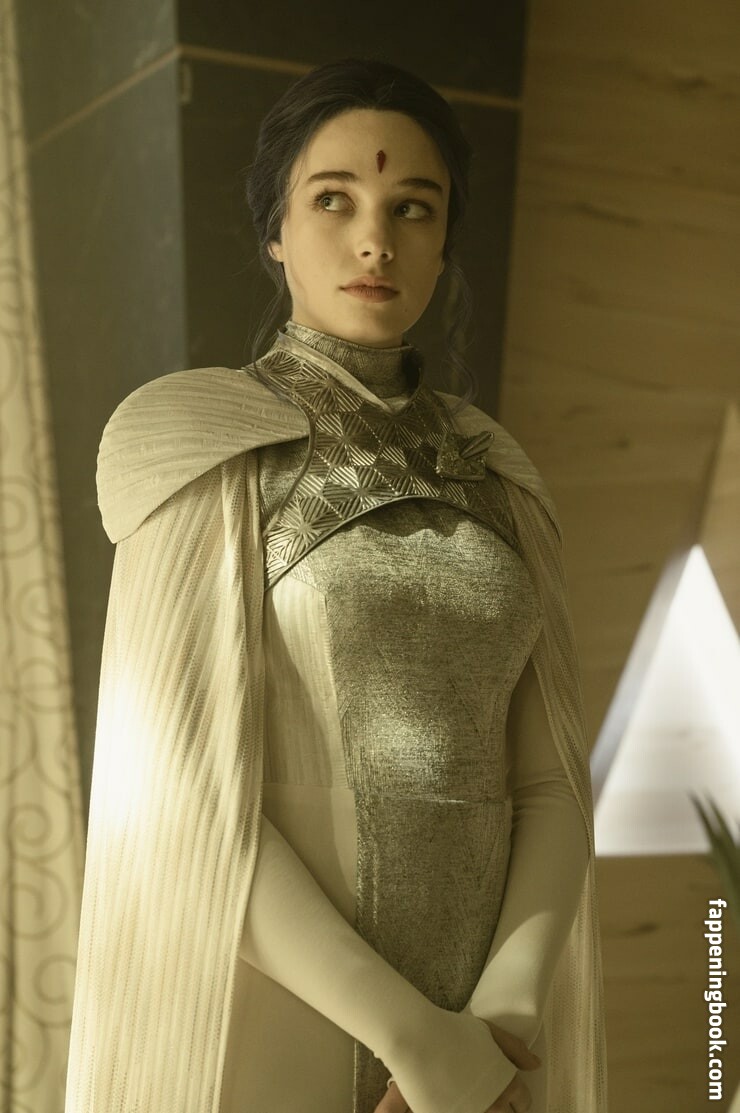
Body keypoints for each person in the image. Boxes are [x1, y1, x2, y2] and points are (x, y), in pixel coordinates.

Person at [65, 58, 607, 1113]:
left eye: (413, 207)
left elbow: (552, 781)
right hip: (286, 1015)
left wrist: (498, 1028)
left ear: (444, 240)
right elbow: (181, 795)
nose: (375, 239)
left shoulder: (495, 471)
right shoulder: (207, 445)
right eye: (333, 200)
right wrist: (414, 1039)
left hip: (489, 1044)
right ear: (274, 229)